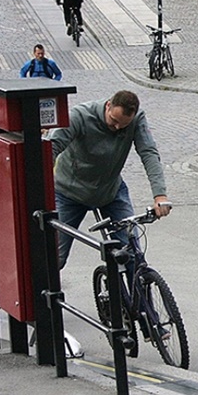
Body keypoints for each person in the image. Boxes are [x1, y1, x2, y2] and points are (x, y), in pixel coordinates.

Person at [48, 90, 171, 268]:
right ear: (108, 106)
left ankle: (137, 296)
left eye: (123, 125)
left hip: (110, 191)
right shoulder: (80, 116)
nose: (117, 128)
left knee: (131, 254)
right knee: (54, 257)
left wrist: (160, 195)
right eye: (114, 121)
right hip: (68, 193)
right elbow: (52, 147)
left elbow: (149, 153)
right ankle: (41, 295)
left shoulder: (136, 119)